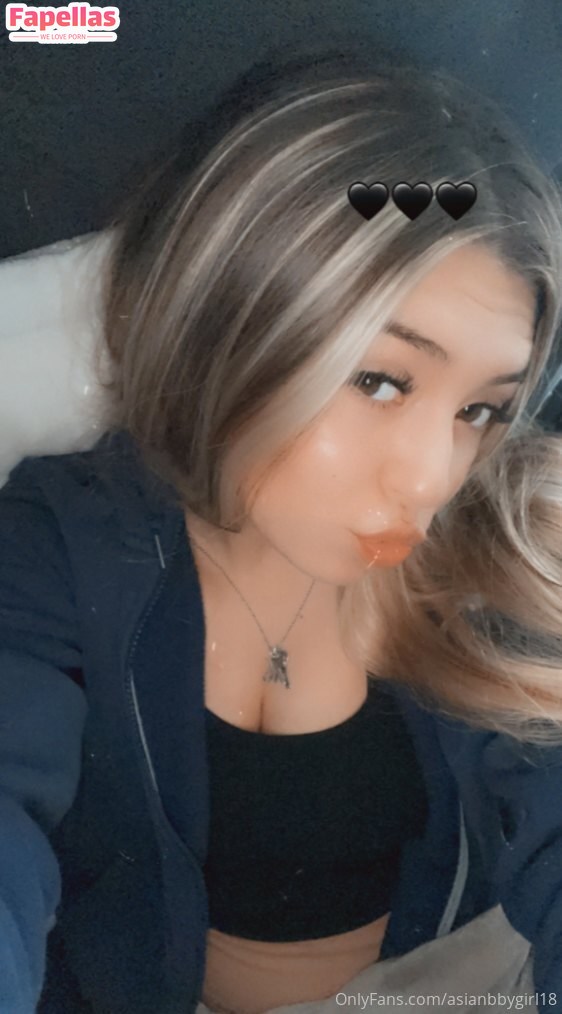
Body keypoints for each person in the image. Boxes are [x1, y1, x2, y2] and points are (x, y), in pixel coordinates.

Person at [1, 42, 562, 1014]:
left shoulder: (504, 554)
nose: (432, 478)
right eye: (379, 380)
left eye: (481, 409)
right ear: (227, 324)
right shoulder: (63, 539)